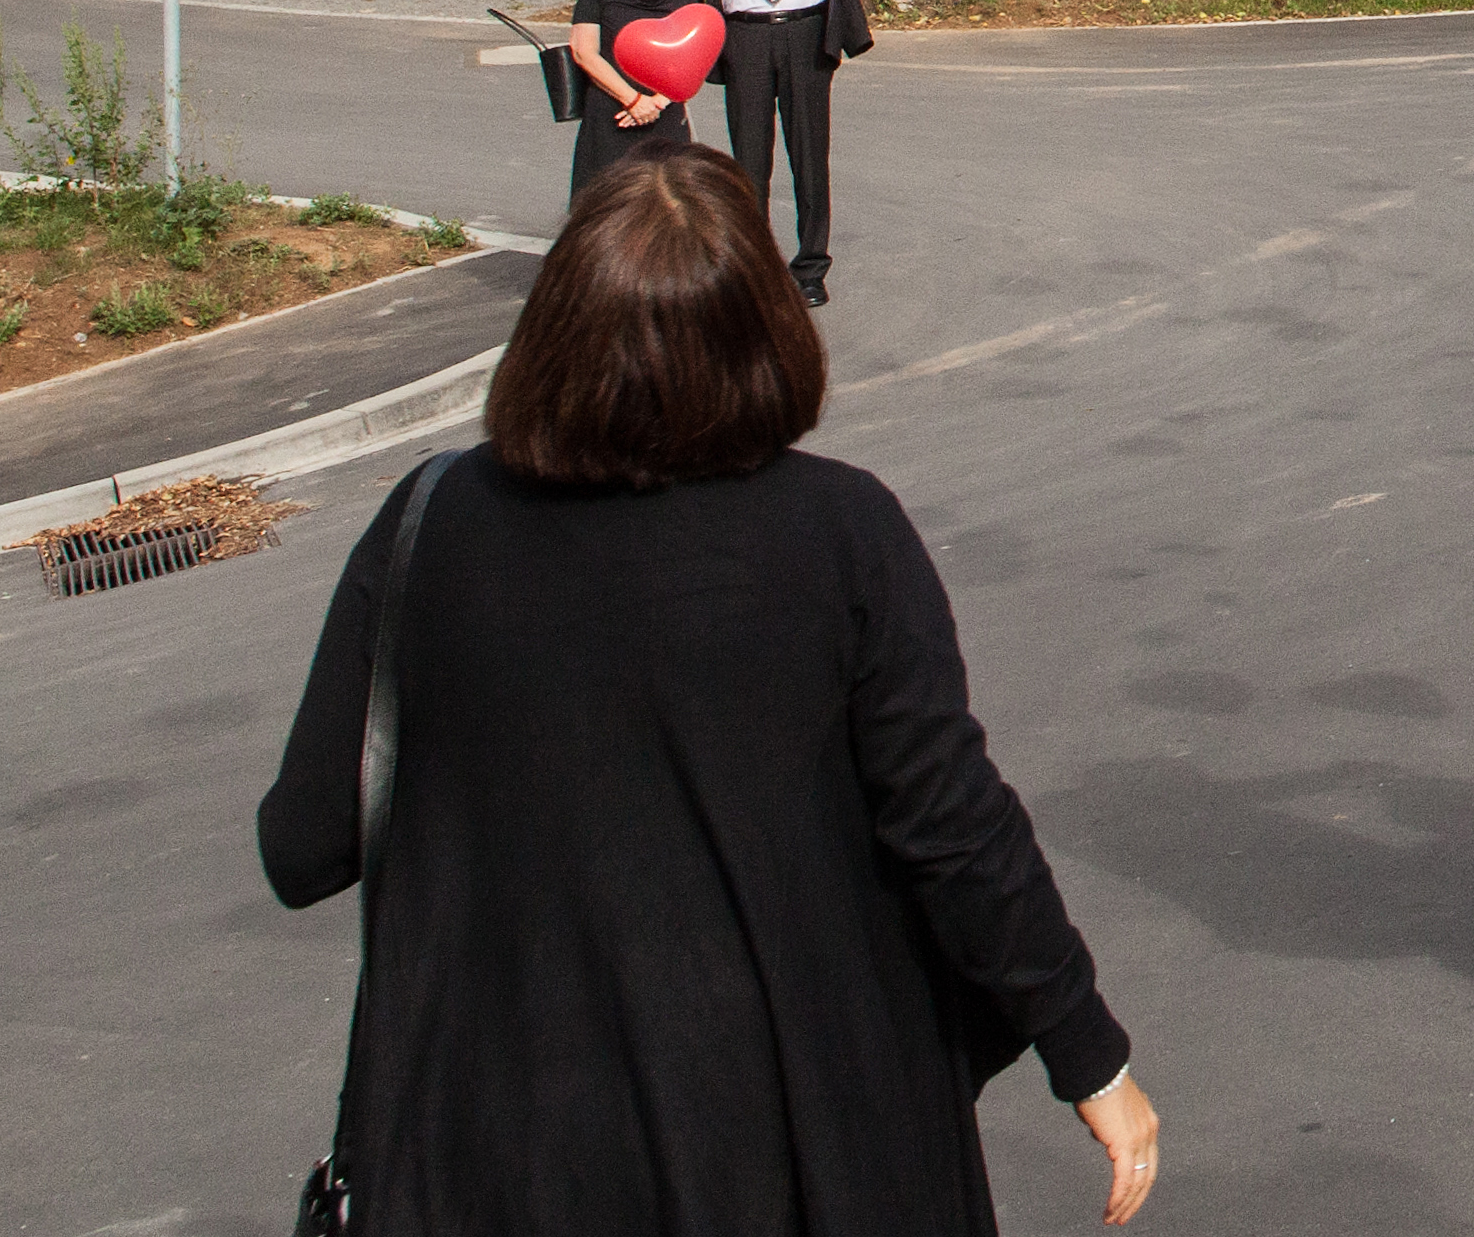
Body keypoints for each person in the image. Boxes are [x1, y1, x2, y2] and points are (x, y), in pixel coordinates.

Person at [258, 154, 1158, 1232]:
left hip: (493, 1148)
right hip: (780, 1141)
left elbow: (305, 841)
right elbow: (952, 824)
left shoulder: (431, 518)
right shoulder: (840, 532)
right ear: (766, 331)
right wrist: (1085, 1052)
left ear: (551, 324)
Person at [694, 0, 872, 306]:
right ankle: (756, 268)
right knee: (749, 160)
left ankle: (811, 268)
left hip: (804, 34)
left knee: (809, 155)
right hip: (747, 36)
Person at [560, 0, 701, 200]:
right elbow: (584, 52)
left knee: (670, 203)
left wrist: (658, 104)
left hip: (666, 113)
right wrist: (633, 101)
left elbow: (694, 57)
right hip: (613, 112)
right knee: (607, 205)